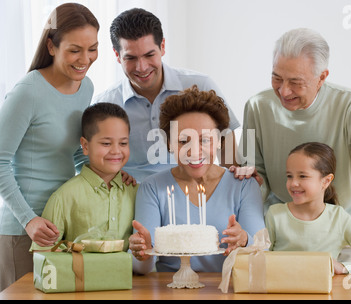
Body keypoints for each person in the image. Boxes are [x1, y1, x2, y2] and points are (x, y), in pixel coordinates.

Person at [238, 28, 351, 277]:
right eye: (276, 78)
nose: (283, 91)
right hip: (281, 238)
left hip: (343, 239)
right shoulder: (257, 107)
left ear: (321, 77)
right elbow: (253, 177)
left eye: (296, 82)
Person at [0, 3, 99, 291]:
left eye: (92, 48)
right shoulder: (27, 92)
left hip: (62, 225)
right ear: (52, 47)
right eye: (74, 50)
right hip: (23, 230)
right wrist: (29, 220)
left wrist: (108, 178)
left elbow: (76, 153)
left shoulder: (86, 87)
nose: (85, 59)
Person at [92, 8, 240, 183]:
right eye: (131, 58)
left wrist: (230, 186)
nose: (142, 67)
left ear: (162, 47)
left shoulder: (201, 86)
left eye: (149, 55)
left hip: (192, 190)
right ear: (117, 56)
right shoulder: (106, 103)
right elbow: (94, 163)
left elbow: (228, 147)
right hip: (132, 196)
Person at [130, 86, 264, 274]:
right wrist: (142, 253)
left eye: (205, 140)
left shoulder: (243, 185)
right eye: (183, 141)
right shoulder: (152, 188)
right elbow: (141, 269)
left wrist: (244, 239)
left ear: (219, 141)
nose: (194, 152)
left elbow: (262, 251)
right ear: (169, 143)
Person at [31, 103, 138, 252]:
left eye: (123, 143)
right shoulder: (63, 197)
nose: (116, 151)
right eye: (106, 143)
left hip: (130, 275)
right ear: (85, 146)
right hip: (79, 275)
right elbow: (44, 255)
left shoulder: (137, 192)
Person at [266, 142, 351, 274]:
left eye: (302, 176)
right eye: (289, 176)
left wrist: (344, 268)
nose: (293, 183)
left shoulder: (339, 218)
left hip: (325, 293)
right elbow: (260, 257)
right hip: (281, 291)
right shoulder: (275, 214)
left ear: (326, 181)